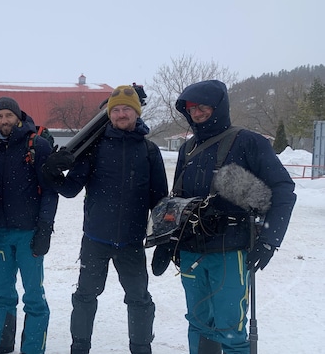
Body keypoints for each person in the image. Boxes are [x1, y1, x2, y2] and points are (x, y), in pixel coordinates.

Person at [156, 80, 296, 353]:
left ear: (218, 107)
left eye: (203, 106)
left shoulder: (248, 142)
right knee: (197, 322)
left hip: (229, 251)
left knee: (230, 329)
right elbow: (178, 199)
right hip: (191, 250)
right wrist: (166, 240)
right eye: (191, 108)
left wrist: (269, 240)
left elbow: (283, 190)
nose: (196, 113)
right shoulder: (188, 149)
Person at [41, 85, 168, 354]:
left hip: (132, 243)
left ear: (137, 113)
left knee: (139, 300)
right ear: (110, 114)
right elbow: (70, 189)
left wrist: (164, 242)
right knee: (85, 297)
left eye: (127, 109)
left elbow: (160, 201)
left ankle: (141, 348)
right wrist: (51, 172)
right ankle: (80, 348)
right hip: (95, 241)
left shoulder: (149, 151)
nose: (122, 114)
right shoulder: (94, 148)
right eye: (117, 109)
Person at [0, 97, 59, 354]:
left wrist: (45, 228)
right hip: (1, 231)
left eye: (8, 116)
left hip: (30, 232)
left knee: (33, 296)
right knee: (2, 292)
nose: (4, 121)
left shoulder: (37, 145)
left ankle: (33, 348)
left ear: (17, 117)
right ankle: (1, 342)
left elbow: (49, 191)